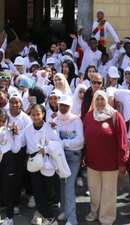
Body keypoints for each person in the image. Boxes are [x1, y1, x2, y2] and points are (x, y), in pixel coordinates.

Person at [83, 90, 128, 225]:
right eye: (97, 99)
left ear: (106, 100)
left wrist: (122, 162)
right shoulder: (89, 116)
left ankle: (107, 217)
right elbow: (85, 138)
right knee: (94, 190)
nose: (100, 102)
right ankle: (94, 212)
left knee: (108, 192)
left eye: (102, 99)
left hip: (110, 163)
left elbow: (123, 141)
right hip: (92, 162)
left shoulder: (115, 116)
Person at [24, 103, 61, 225]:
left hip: (48, 164)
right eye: (33, 114)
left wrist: (46, 149)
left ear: (43, 114)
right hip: (34, 164)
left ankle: (49, 217)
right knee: (37, 191)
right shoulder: (27, 129)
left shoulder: (49, 127)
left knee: (47, 191)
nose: (35, 117)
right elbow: (23, 144)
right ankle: (45, 215)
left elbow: (57, 143)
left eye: (38, 114)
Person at [55, 94, 84, 225]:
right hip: (59, 157)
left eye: (66, 106)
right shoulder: (55, 120)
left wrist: (63, 143)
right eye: (61, 105)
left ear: (70, 106)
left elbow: (80, 141)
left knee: (69, 186)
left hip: (73, 157)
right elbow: (53, 139)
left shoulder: (76, 120)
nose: (63, 108)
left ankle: (72, 219)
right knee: (61, 184)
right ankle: (65, 212)